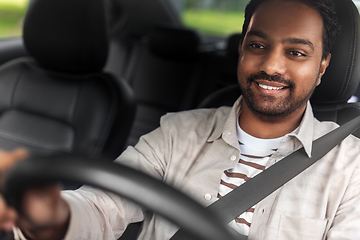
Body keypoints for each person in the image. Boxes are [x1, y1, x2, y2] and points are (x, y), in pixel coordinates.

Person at [1, 0, 360, 239]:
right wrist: (54, 215)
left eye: (296, 52)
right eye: (257, 45)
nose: (271, 66)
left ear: (323, 66)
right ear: (241, 49)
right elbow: (102, 205)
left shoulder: (351, 168)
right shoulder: (178, 132)